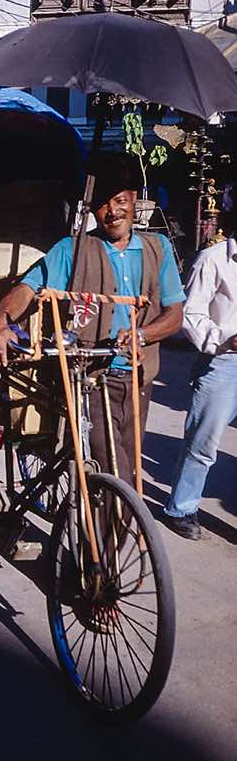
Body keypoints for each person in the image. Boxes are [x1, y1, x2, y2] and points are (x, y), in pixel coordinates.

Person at [0, 156, 185, 486]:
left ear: (134, 200)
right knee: (113, 469)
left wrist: (142, 334)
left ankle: (119, 530)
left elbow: (174, 315)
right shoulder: (72, 250)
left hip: (139, 376)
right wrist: (1, 321)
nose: (113, 212)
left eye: (120, 201)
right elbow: (29, 288)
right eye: (104, 204)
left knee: (130, 465)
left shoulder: (157, 248)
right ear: (92, 209)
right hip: (88, 376)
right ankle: (111, 537)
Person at [164, 202, 237, 540]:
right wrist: (226, 338)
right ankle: (182, 507)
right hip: (223, 362)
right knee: (203, 443)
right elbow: (190, 315)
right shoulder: (214, 259)